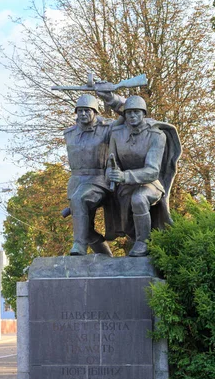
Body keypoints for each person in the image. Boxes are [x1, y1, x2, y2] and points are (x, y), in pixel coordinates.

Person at [106, 95, 181, 257]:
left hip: (151, 184)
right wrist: (110, 173)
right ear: (124, 115)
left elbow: (152, 171)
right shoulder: (117, 134)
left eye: (137, 112)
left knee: (139, 199)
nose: (132, 115)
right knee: (126, 224)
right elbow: (111, 161)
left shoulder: (156, 135)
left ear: (144, 113)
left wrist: (123, 176)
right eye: (129, 112)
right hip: (124, 186)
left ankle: (143, 242)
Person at [64, 93, 124, 256]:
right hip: (76, 181)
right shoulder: (69, 133)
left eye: (87, 110)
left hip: (98, 179)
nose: (83, 114)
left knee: (79, 200)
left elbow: (129, 114)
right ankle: (107, 259)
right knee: (86, 229)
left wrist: (113, 98)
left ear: (95, 112)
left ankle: (79, 245)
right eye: (80, 111)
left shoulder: (107, 128)